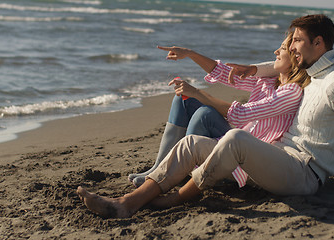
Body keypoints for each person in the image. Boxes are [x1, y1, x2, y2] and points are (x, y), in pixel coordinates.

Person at [76, 14, 334, 218]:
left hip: (306, 175)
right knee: (191, 144)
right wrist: (248, 66)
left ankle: (176, 199)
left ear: (318, 43)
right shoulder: (311, 76)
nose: (292, 47)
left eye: (297, 41)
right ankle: (127, 202)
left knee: (234, 136)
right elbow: (276, 66)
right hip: (278, 158)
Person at [128, 31, 310, 187]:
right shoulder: (268, 80)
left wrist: (198, 92)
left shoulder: (291, 93)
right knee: (183, 100)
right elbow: (222, 72)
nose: (276, 52)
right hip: (237, 134)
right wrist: (190, 53)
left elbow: (240, 115)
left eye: (283, 49)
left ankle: (177, 172)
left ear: (296, 57)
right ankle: (160, 167)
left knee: (204, 113)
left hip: (246, 151)